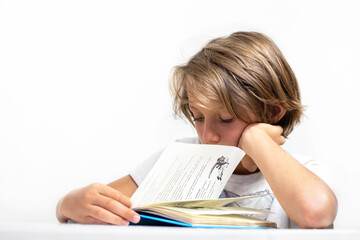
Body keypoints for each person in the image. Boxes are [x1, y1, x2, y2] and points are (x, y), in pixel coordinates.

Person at [56, 31, 337, 228]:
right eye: (198, 117)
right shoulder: (179, 157)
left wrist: (256, 141)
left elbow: (315, 213)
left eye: (226, 119)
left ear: (274, 113)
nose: (207, 136)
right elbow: (103, 205)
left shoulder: (304, 171)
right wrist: (67, 205)